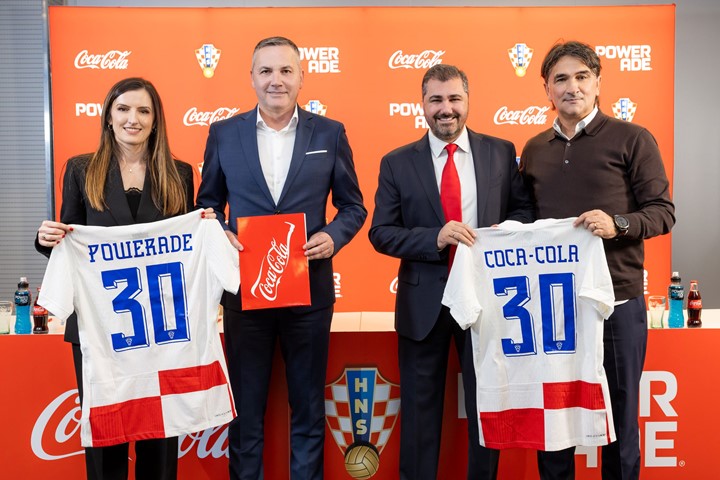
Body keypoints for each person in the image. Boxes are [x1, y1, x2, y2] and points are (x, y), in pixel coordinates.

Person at [195, 36, 366, 480]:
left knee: (308, 411)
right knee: (245, 413)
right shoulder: (223, 133)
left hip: (309, 295)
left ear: (302, 77)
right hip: (245, 295)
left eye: (286, 71)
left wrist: (332, 236)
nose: (277, 80)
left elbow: (353, 206)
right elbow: (207, 205)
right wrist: (221, 232)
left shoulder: (329, 132)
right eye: (266, 71)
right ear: (252, 78)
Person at [35, 77, 212, 480]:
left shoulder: (180, 174)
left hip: (161, 327)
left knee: (160, 434)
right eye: (124, 109)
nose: (133, 119)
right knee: (105, 435)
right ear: (108, 116)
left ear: (155, 120)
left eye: (144, 111)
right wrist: (47, 239)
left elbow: (185, 246)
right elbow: (70, 243)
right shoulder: (81, 170)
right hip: (99, 327)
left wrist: (207, 228)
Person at [369, 64, 534, 480]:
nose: (446, 108)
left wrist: (504, 233)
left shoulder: (500, 151)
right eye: (436, 100)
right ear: (422, 104)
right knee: (420, 416)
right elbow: (381, 233)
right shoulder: (396, 163)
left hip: (489, 302)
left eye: (454, 98)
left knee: (488, 407)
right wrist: (435, 237)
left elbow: (523, 211)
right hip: (423, 305)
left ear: (468, 100)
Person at [520, 41, 675, 480]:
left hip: (616, 302)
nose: (572, 87)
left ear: (598, 83)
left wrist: (618, 224)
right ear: (547, 89)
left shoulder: (633, 138)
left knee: (619, 418)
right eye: (561, 79)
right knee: (554, 421)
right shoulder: (534, 148)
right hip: (553, 305)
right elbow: (525, 218)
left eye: (581, 76)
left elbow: (662, 212)